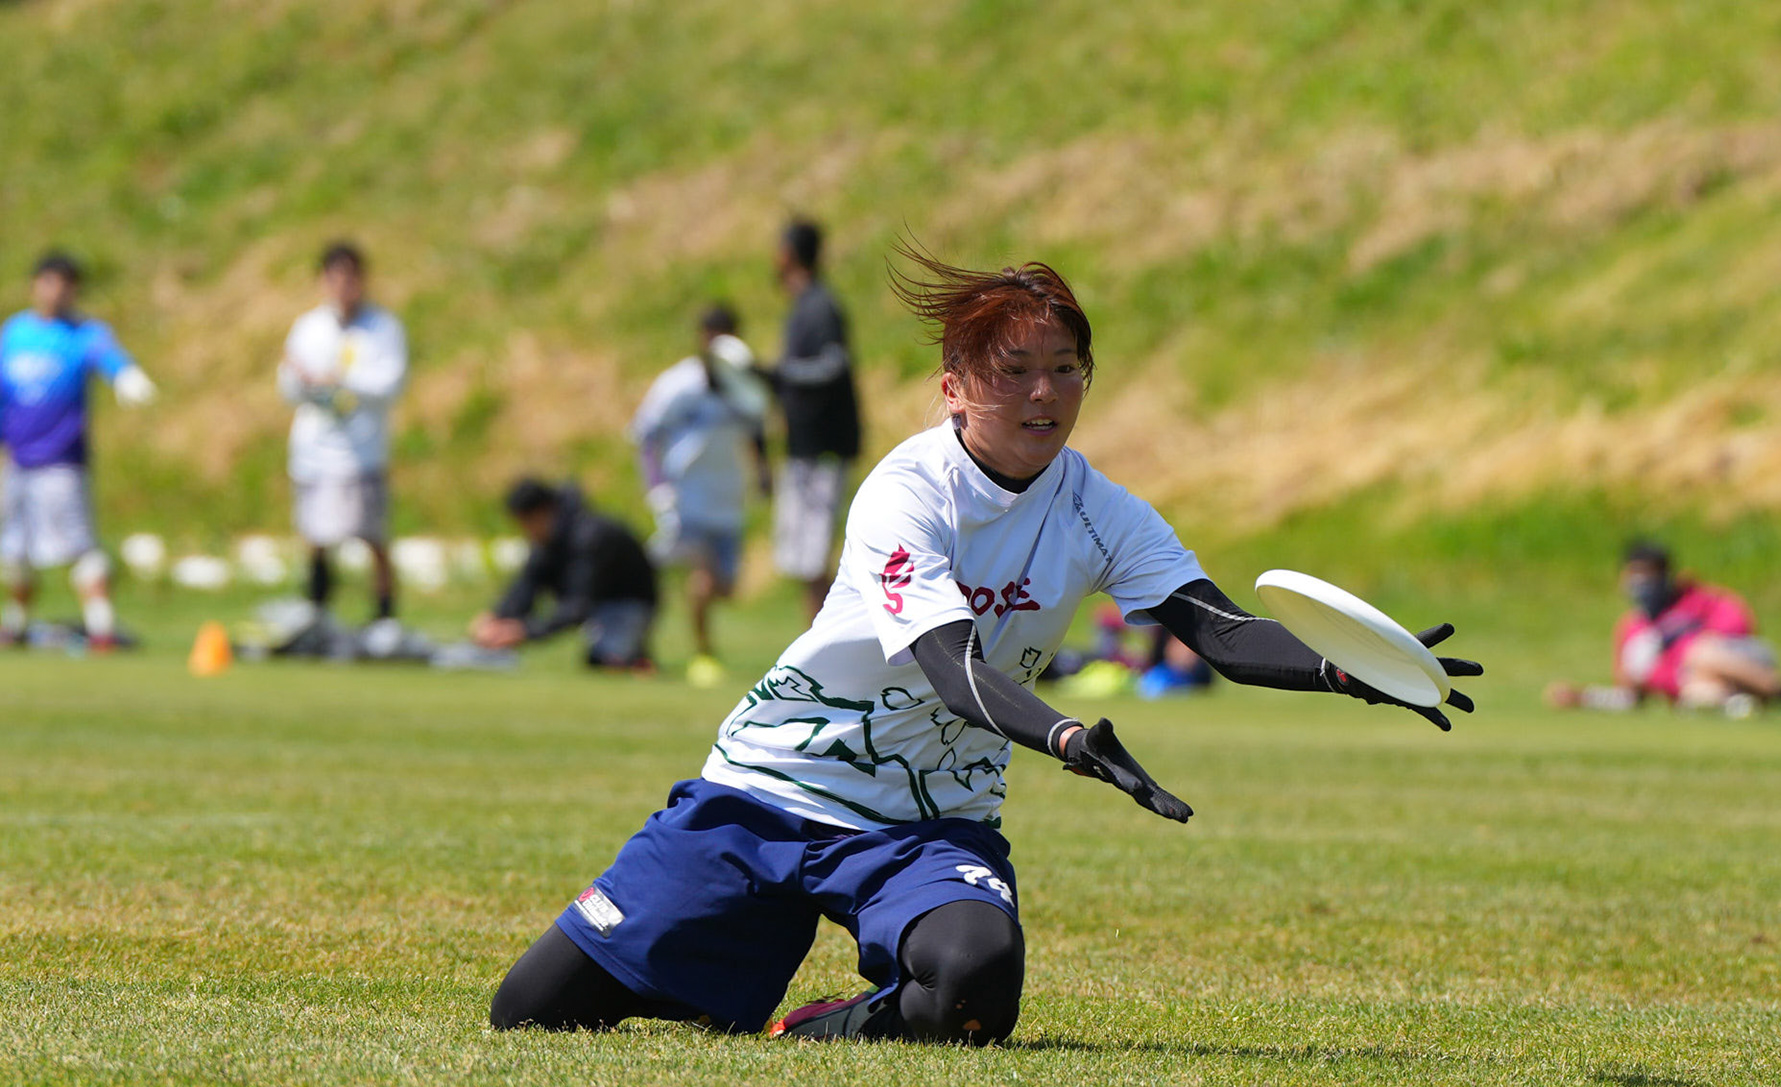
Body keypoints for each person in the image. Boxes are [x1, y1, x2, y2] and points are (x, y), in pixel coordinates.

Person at [488, 247, 1480, 1045]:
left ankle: (826, 1026)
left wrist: (1351, 668)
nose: (1046, 393)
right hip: (773, 788)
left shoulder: (1097, 508)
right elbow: (951, 665)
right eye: (1015, 372)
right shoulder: (906, 492)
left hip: (929, 822)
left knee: (975, 987)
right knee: (530, 1012)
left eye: (1067, 369)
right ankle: (725, 948)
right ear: (955, 386)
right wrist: (1066, 739)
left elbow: (1218, 631)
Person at [0, 251, 156, 649]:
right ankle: (15, 625)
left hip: (62, 463)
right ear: (35, 285)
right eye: (49, 281)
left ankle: (101, 629)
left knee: (79, 548)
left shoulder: (85, 333)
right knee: (15, 550)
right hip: (16, 461)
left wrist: (126, 375)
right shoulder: (14, 333)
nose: (56, 291)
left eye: (66, 284)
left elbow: (108, 356)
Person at [629, 303, 770, 687]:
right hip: (688, 497)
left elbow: (756, 428)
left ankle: (665, 621)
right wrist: (657, 486)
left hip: (728, 499)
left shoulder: (742, 385)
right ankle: (703, 653)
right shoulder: (679, 384)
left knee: (726, 587)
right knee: (703, 576)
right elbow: (646, 434)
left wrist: (764, 475)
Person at [1546, 539, 1781, 720]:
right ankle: (1739, 707)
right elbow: (1630, 697)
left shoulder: (1697, 599)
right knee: (1697, 694)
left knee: (1700, 653)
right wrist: (1582, 698)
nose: (1641, 584)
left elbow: (1740, 628)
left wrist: (1685, 645)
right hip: (1699, 685)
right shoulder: (1630, 630)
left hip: (1747, 663)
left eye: (1648, 575)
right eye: (1634, 575)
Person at [277, 241, 408, 622]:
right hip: (314, 450)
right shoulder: (309, 327)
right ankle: (318, 612)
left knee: (372, 536)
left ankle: (384, 616)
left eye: (350, 277)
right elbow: (288, 386)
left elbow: (391, 383)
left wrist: (343, 381)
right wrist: (308, 382)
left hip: (362, 451)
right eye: (334, 277)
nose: (343, 286)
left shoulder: (383, 327)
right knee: (316, 537)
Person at [766, 219, 861, 621]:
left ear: (788, 254)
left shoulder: (820, 306)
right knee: (804, 557)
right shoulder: (804, 304)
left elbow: (834, 365)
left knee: (813, 555)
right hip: (806, 446)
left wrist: (781, 375)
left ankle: (822, 641)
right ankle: (816, 639)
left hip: (823, 447)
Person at [470, 479, 659, 670]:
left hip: (626, 603)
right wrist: (498, 617)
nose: (524, 531)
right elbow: (527, 585)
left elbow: (578, 605)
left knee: (606, 661)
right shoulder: (549, 539)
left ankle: (636, 656)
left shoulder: (590, 536)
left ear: (541, 512)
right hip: (594, 607)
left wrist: (524, 632)